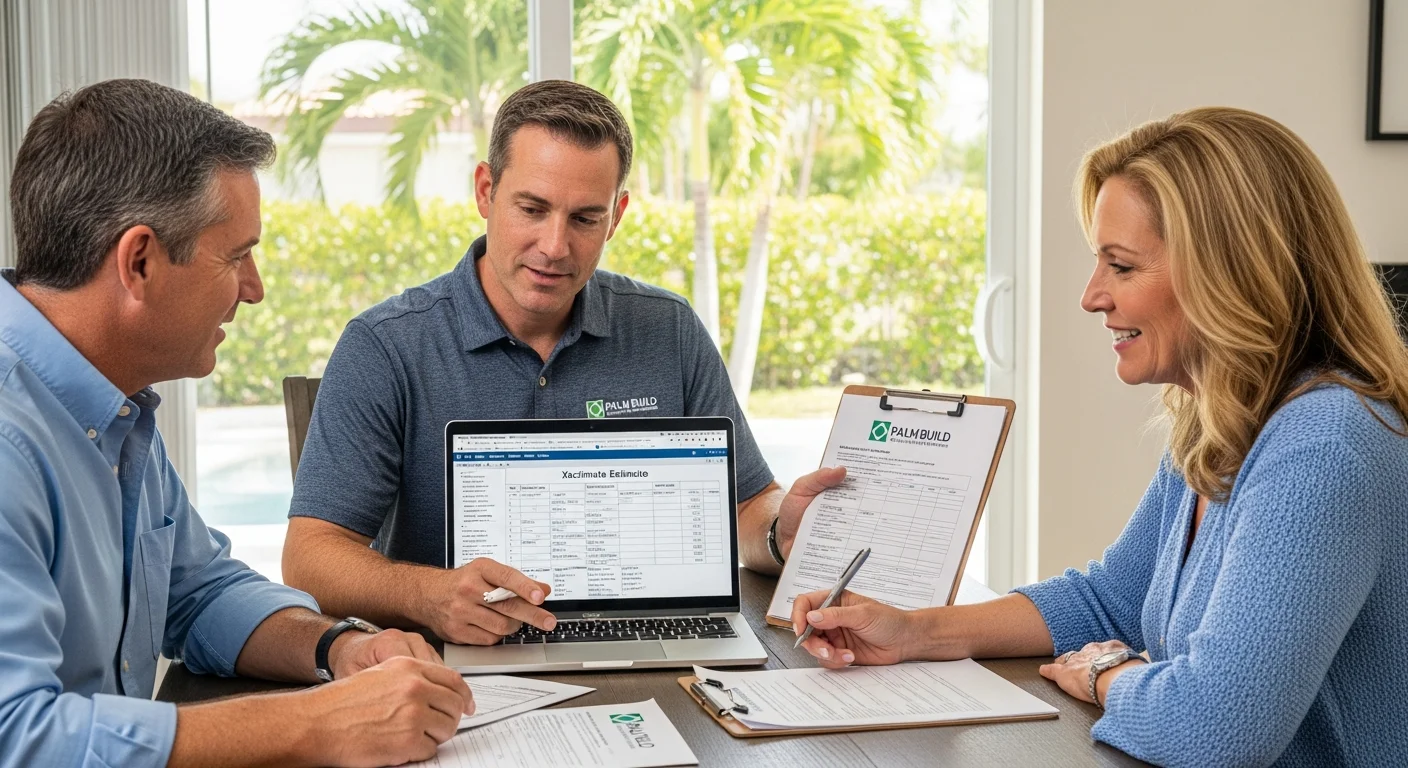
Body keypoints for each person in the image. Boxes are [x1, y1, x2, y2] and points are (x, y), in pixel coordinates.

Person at [790, 107, 1408, 766]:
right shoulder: (1221, 420)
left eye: (1121, 267)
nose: (1091, 296)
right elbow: (1113, 597)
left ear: (1228, 272)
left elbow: (1213, 731)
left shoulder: (1323, 447)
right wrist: (913, 632)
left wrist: (1104, 674)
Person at [0, 79, 474, 768]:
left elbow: (200, 593)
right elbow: (18, 736)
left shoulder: (112, 407)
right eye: (236, 255)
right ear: (139, 261)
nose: (253, 288)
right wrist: (319, 725)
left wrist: (339, 647)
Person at [282, 79, 841, 646]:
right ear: (485, 190)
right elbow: (310, 558)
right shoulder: (386, 346)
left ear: (616, 216)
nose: (554, 246)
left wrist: (780, 533)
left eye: (584, 219)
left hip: (661, 655)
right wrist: (432, 595)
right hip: (452, 665)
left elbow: (746, 506)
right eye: (532, 208)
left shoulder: (668, 331)